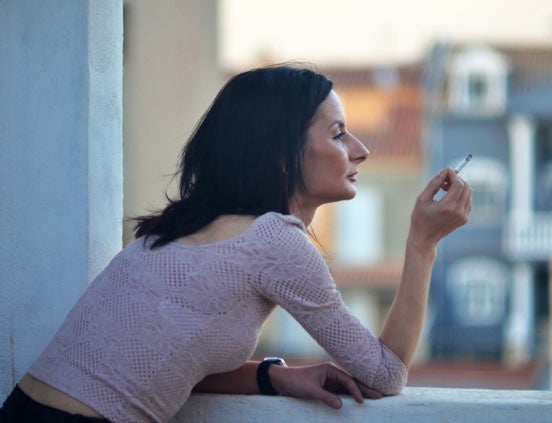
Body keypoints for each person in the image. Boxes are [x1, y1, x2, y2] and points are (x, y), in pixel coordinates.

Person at [0, 64, 472, 422]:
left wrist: (271, 375)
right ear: (282, 155)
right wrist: (422, 244)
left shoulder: (177, 229)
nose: (360, 150)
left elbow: (164, 362)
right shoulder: (274, 243)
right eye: (337, 134)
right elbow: (385, 374)